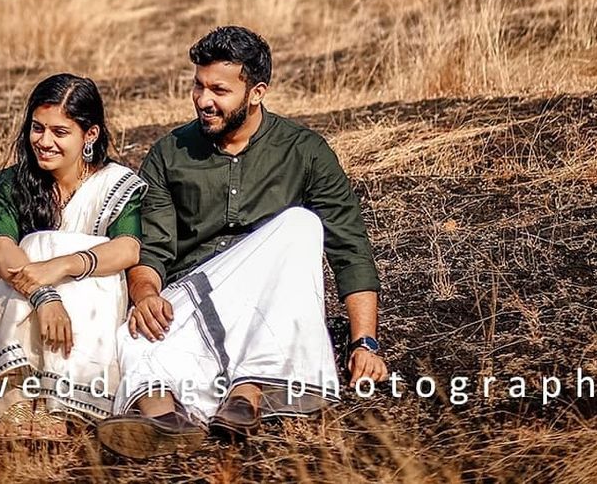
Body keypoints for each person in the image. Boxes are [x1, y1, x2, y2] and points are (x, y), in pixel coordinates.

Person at [96, 26, 387, 460]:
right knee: (138, 338)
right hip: (192, 292)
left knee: (302, 226)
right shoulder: (169, 153)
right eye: (198, 85)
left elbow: (349, 248)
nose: (203, 99)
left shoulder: (303, 151)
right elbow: (152, 246)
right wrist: (146, 295)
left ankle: (244, 397)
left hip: (263, 301)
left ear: (256, 92)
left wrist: (365, 341)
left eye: (219, 89)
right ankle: (164, 421)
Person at [0, 73, 147, 439]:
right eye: (37, 128)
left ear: (90, 135)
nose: (44, 141)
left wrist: (62, 265)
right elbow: (1, 250)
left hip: (93, 300)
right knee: (35, 245)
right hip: (31, 295)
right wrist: (44, 293)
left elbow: (127, 248)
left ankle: (62, 402)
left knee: (48, 247)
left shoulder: (116, 183)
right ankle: (20, 397)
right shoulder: (11, 184)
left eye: (60, 132)